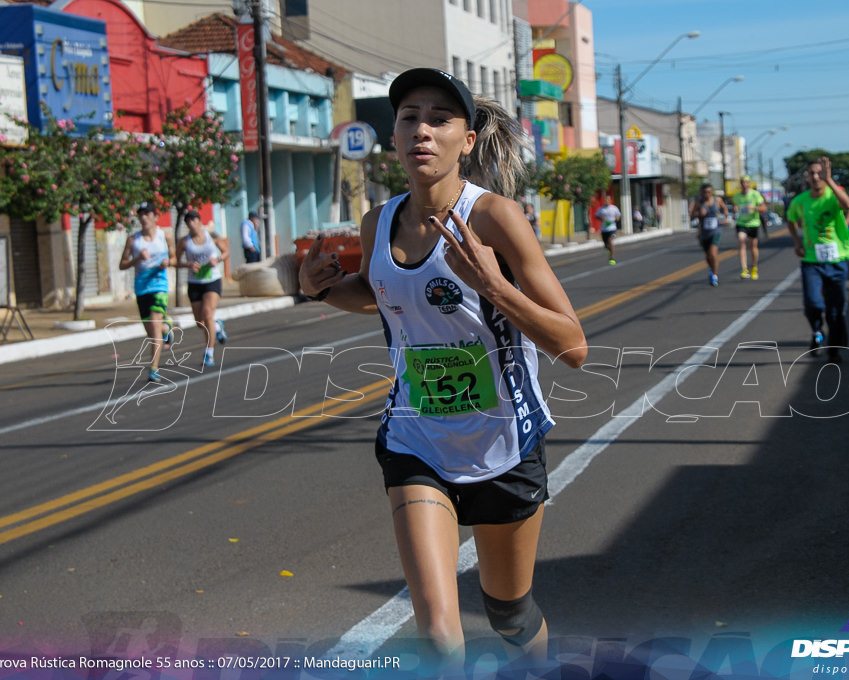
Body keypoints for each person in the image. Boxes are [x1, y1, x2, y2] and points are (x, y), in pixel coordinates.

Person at [298, 68, 587, 673]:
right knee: (436, 630)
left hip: (504, 444)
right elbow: (381, 293)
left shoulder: (495, 219)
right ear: (394, 135)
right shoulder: (379, 221)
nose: (421, 130)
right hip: (417, 439)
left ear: (468, 140)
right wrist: (322, 290)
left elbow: (573, 345)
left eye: (439, 119)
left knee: (508, 615)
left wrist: (493, 286)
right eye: (409, 118)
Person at [786, 157, 849, 363]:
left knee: (835, 309)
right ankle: (817, 332)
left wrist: (830, 180)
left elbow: (847, 204)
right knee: (813, 304)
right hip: (811, 260)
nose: (815, 177)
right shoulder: (801, 200)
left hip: (836, 260)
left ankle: (834, 348)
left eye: (819, 173)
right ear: (807, 177)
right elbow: (790, 220)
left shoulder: (833, 196)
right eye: (812, 174)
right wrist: (797, 242)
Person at [119, 202, 175, 382]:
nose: (143, 218)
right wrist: (137, 258)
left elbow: (173, 257)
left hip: (159, 286)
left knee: (154, 323)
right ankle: (167, 327)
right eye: (141, 214)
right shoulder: (133, 239)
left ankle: (153, 369)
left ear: (155, 217)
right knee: (151, 330)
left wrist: (169, 262)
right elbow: (122, 264)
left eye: (147, 214)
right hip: (141, 288)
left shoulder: (164, 236)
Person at [176, 210, 229, 368]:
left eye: (194, 220)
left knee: (207, 314)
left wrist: (217, 259)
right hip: (194, 282)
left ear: (199, 221)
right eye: (188, 222)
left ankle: (209, 353)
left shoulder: (211, 236)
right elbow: (175, 260)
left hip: (212, 280)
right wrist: (188, 264)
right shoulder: (184, 242)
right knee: (200, 322)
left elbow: (226, 252)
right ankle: (218, 326)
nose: (191, 224)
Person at [689, 183, 730, 286]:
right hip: (704, 232)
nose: (706, 194)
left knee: (713, 253)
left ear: (712, 192)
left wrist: (726, 218)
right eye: (704, 192)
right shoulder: (698, 202)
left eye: (708, 192)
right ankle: (711, 270)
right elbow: (692, 217)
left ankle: (715, 275)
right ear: (701, 192)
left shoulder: (717, 200)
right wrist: (698, 213)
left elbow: (725, 210)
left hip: (716, 230)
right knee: (708, 256)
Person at [733, 175, 767, 280]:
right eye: (742, 182)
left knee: (753, 247)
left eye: (746, 182)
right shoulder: (737, 196)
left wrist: (754, 208)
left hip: (753, 223)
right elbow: (735, 207)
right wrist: (735, 209)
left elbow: (764, 208)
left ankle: (754, 267)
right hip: (741, 223)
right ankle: (744, 269)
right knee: (741, 241)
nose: (744, 184)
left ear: (749, 183)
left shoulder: (755, 194)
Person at [595, 194, 621, 264]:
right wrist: (601, 219)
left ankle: (611, 257)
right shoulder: (601, 209)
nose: (606, 201)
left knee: (610, 241)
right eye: (605, 200)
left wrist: (616, 219)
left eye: (608, 199)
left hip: (612, 228)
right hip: (604, 229)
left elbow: (618, 215)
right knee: (606, 244)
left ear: (610, 200)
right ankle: (608, 249)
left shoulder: (614, 208)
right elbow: (596, 216)